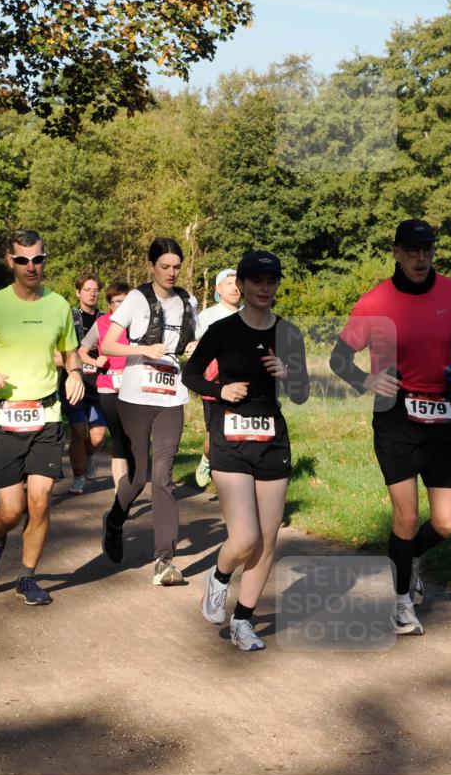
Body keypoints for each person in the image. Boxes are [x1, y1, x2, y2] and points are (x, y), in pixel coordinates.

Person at [329, 219, 451, 636]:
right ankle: (401, 600)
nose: (420, 257)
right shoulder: (375, 302)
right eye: (411, 250)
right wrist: (365, 380)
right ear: (395, 252)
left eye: (427, 249)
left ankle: (410, 560)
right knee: (406, 517)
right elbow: (339, 359)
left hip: (441, 415)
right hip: (394, 414)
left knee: (446, 523)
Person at [183, 250, 309, 651]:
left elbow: (302, 394)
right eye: (257, 281)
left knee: (268, 540)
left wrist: (287, 375)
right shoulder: (222, 331)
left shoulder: (289, 334)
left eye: (272, 281)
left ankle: (243, 621)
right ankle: (219, 576)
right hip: (230, 441)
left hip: (271, 441)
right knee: (246, 537)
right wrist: (220, 390)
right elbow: (190, 374)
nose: (265, 288)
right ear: (241, 283)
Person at [0, 230, 85, 606]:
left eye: (38, 259)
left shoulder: (59, 305)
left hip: (46, 414)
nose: (32, 266)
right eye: (23, 260)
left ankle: (27, 577)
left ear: (46, 259)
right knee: (12, 511)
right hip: (2, 418)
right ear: (9, 261)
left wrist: (75, 372)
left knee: (41, 500)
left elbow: (71, 352)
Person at [100, 238, 199, 585]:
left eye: (176, 266)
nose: (171, 272)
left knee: (163, 477)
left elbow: (196, 341)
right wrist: (144, 348)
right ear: (152, 266)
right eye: (164, 266)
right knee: (139, 476)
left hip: (172, 398)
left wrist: (194, 346)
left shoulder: (189, 301)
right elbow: (108, 344)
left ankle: (164, 560)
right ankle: (114, 520)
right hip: (135, 397)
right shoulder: (136, 299)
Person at [77, 281, 131, 489]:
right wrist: (95, 361)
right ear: (109, 303)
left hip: (134, 386)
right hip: (108, 385)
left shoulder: (138, 322)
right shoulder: (101, 323)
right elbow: (81, 353)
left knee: (133, 436)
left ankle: (134, 478)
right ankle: (120, 492)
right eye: (118, 302)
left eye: (126, 302)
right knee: (118, 436)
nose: (122, 306)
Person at [194, 268, 241, 488]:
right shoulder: (207, 316)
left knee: (239, 431)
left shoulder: (250, 313)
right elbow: (193, 346)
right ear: (218, 289)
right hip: (214, 385)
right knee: (215, 433)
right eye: (228, 283)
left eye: (237, 282)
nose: (234, 287)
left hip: (243, 385)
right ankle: (207, 459)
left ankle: (233, 478)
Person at [63, 274, 106, 495]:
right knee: (79, 432)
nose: (92, 293)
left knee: (98, 436)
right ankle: (78, 476)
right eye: (87, 289)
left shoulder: (106, 319)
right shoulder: (69, 317)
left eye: (95, 289)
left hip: (99, 383)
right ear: (78, 292)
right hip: (75, 382)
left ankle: (88, 456)